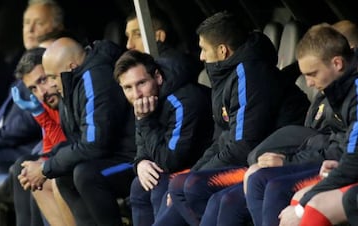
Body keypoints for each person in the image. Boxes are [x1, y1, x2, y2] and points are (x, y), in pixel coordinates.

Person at [152, 11, 304, 226]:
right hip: (247, 157)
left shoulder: (249, 73)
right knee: (178, 185)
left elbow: (243, 144)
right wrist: (195, 171)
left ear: (223, 51)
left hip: (263, 162)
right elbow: (222, 138)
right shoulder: (227, 73)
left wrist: (196, 175)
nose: (201, 56)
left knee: (193, 186)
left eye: (204, 49)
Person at [18, 37, 137, 226]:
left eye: (52, 77)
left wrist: (45, 168)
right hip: (111, 155)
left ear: (71, 66)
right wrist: (46, 160)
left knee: (85, 174)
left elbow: (94, 145)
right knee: (65, 177)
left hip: (134, 158)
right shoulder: (72, 84)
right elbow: (76, 140)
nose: (51, 85)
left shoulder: (94, 78)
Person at [114, 50, 214, 226]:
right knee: (139, 185)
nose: (136, 94)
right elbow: (142, 145)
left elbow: (170, 161)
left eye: (141, 83)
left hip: (205, 164)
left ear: (158, 78)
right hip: (179, 163)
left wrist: (145, 121)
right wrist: (141, 163)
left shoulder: (183, 100)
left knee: (158, 182)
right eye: (127, 88)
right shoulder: (147, 100)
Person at [277, 24, 358, 226]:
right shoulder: (340, 90)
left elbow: (354, 161)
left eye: (312, 73)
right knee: (301, 198)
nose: (309, 83)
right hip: (346, 165)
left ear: (337, 63)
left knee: (310, 207)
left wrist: (300, 207)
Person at [11, 47, 73, 226]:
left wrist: (40, 116)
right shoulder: (48, 103)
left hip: (95, 160)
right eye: (33, 88)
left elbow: (66, 147)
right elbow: (50, 149)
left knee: (50, 178)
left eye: (43, 80)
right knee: (27, 173)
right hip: (70, 158)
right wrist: (36, 168)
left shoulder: (68, 95)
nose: (41, 92)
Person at [125, 10, 202, 82]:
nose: (129, 45)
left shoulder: (170, 68)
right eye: (128, 36)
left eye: (138, 35)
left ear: (159, 36)